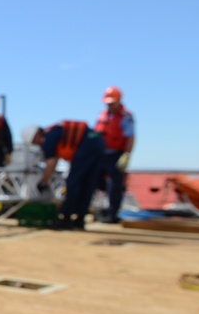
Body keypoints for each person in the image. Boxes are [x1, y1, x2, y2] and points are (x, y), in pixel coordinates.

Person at [20, 121, 105, 230]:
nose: (37, 144)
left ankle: (65, 219)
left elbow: (51, 163)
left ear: (36, 136)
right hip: (98, 143)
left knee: (73, 183)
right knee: (87, 184)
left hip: (86, 146)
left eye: (34, 142)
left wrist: (44, 182)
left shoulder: (48, 138)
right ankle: (79, 220)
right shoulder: (54, 133)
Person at [93, 86, 135, 223]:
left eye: (112, 102)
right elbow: (95, 133)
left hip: (116, 155)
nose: (110, 104)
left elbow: (130, 137)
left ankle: (112, 214)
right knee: (95, 181)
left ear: (118, 100)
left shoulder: (126, 117)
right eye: (108, 102)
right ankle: (98, 209)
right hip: (100, 155)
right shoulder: (102, 115)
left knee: (115, 185)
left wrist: (126, 155)